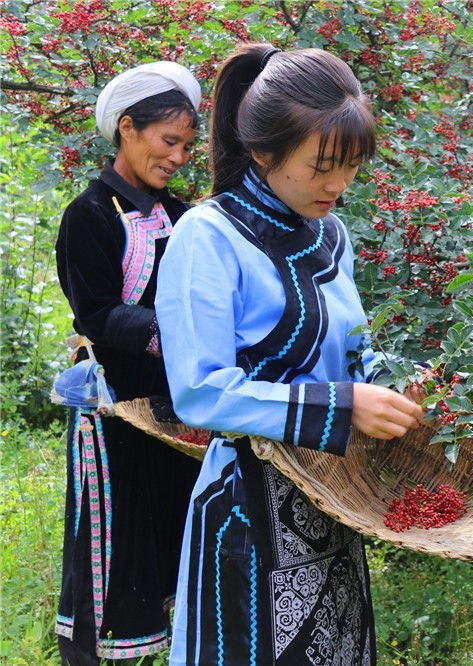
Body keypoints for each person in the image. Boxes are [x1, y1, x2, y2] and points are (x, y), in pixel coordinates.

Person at [154, 43, 426, 665]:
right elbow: (200, 391)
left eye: (352, 165)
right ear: (263, 151)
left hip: (337, 500)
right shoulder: (208, 236)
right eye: (322, 165)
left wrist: (395, 384)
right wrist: (342, 405)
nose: (338, 184)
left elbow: (352, 355)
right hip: (250, 517)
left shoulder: (331, 233)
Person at [54, 61, 204, 663]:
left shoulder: (186, 215)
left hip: (179, 411)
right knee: (116, 543)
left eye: (188, 147)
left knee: (175, 536)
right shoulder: (89, 215)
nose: (177, 157)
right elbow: (93, 313)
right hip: (116, 412)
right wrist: (173, 333)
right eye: (169, 141)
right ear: (127, 128)